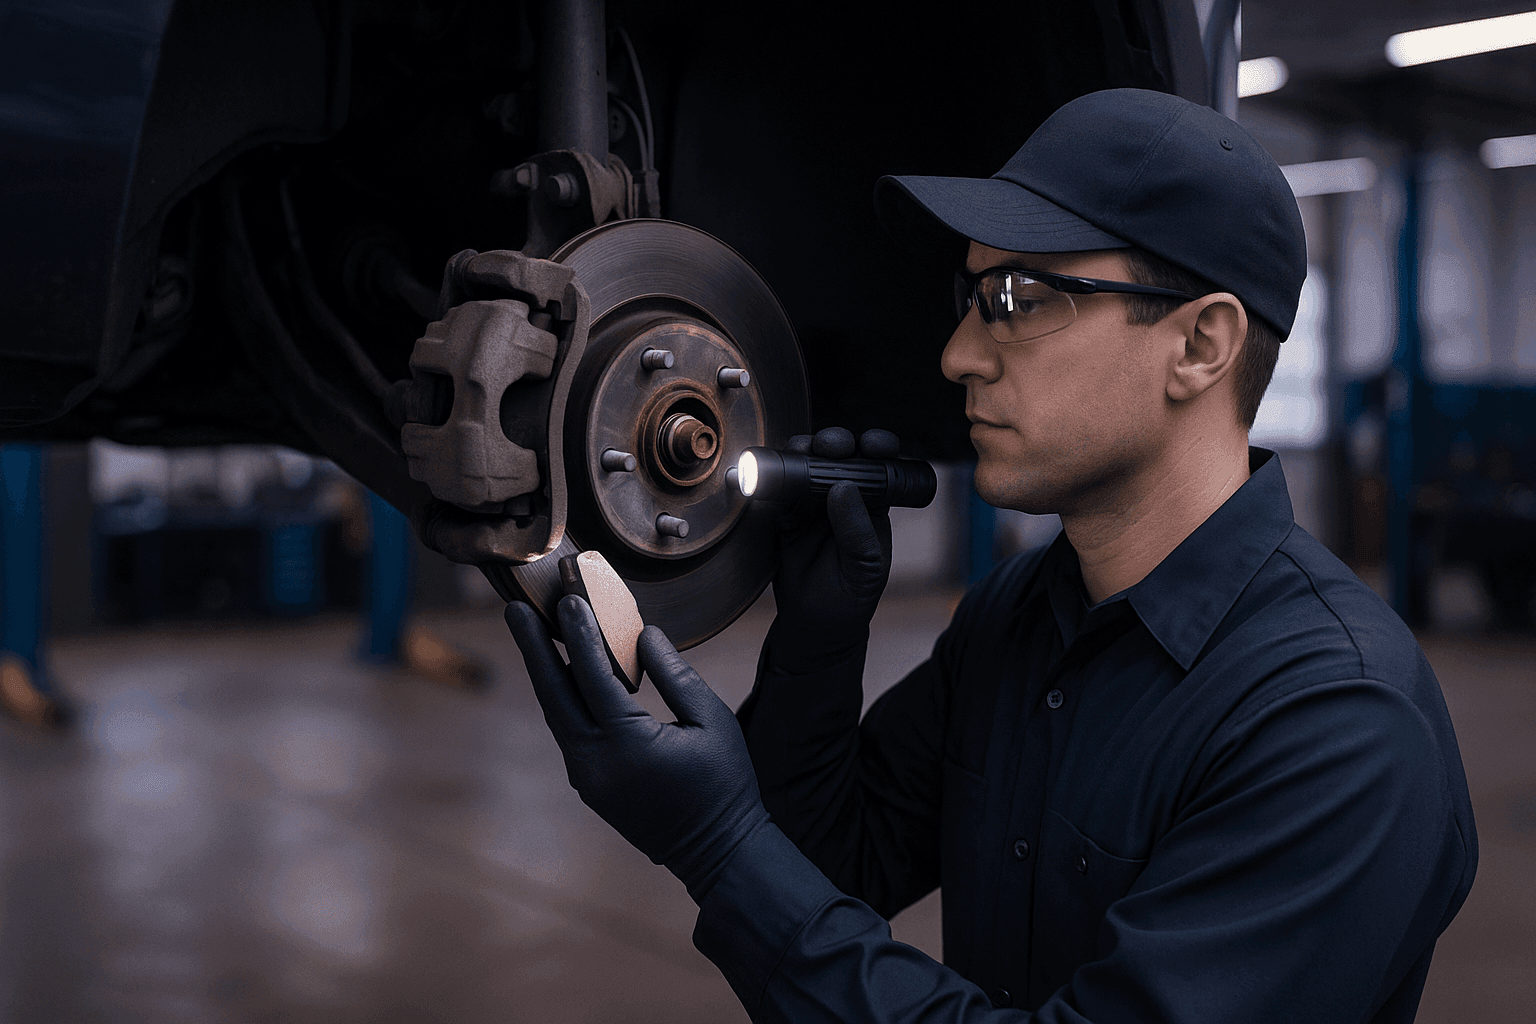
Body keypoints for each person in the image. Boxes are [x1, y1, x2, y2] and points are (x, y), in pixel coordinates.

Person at [505, 88, 1476, 1022]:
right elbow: (830, 870)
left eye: (1017, 296)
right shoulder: (1017, 617)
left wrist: (717, 844)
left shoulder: (1340, 724)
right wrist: (818, 646)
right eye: (969, 295)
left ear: (1201, 345)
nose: (958, 354)